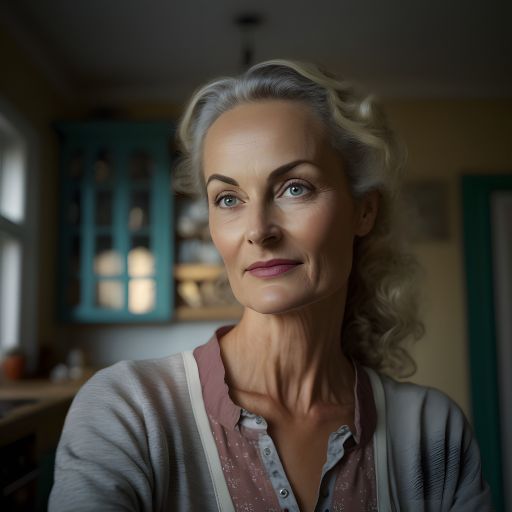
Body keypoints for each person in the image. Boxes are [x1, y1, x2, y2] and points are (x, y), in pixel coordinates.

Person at [49, 60, 492, 512]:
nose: (258, 230)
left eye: (294, 188)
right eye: (228, 199)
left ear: (364, 211)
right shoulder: (128, 412)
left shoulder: (433, 433)